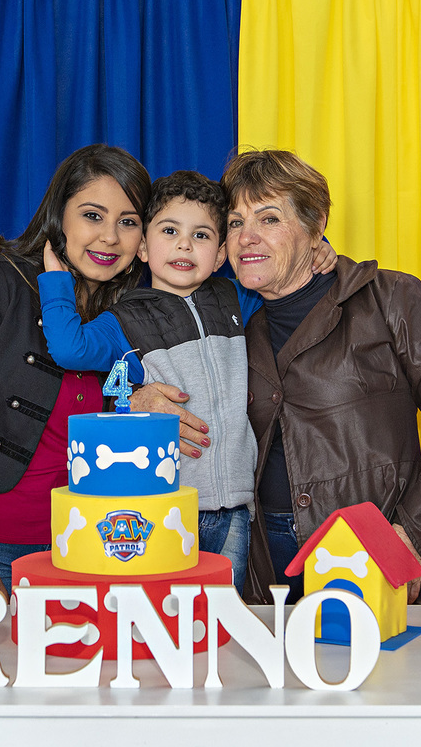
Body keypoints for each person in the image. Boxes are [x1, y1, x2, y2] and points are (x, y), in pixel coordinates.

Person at [222, 149, 421, 605]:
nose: (247, 237)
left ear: (316, 227)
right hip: (267, 569)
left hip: (376, 556)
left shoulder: (390, 297)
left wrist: (409, 536)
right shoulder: (231, 326)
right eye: (234, 222)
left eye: (269, 218)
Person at [0, 144, 150, 594]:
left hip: (83, 549)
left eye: (128, 222)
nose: (110, 237)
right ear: (59, 216)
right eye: (92, 216)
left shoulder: (131, 315)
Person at [37, 171, 261, 590]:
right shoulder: (125, 320)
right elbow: (69, 348)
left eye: (201, 235)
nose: (184, 244)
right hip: (164, 506)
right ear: (142, 247)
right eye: (170, 230)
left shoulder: (235, 298)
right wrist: (55, 280)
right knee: (165, 609)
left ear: (220, 255)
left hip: (236, 506)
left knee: (222, 614)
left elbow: (285, 279)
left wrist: (319, 251)